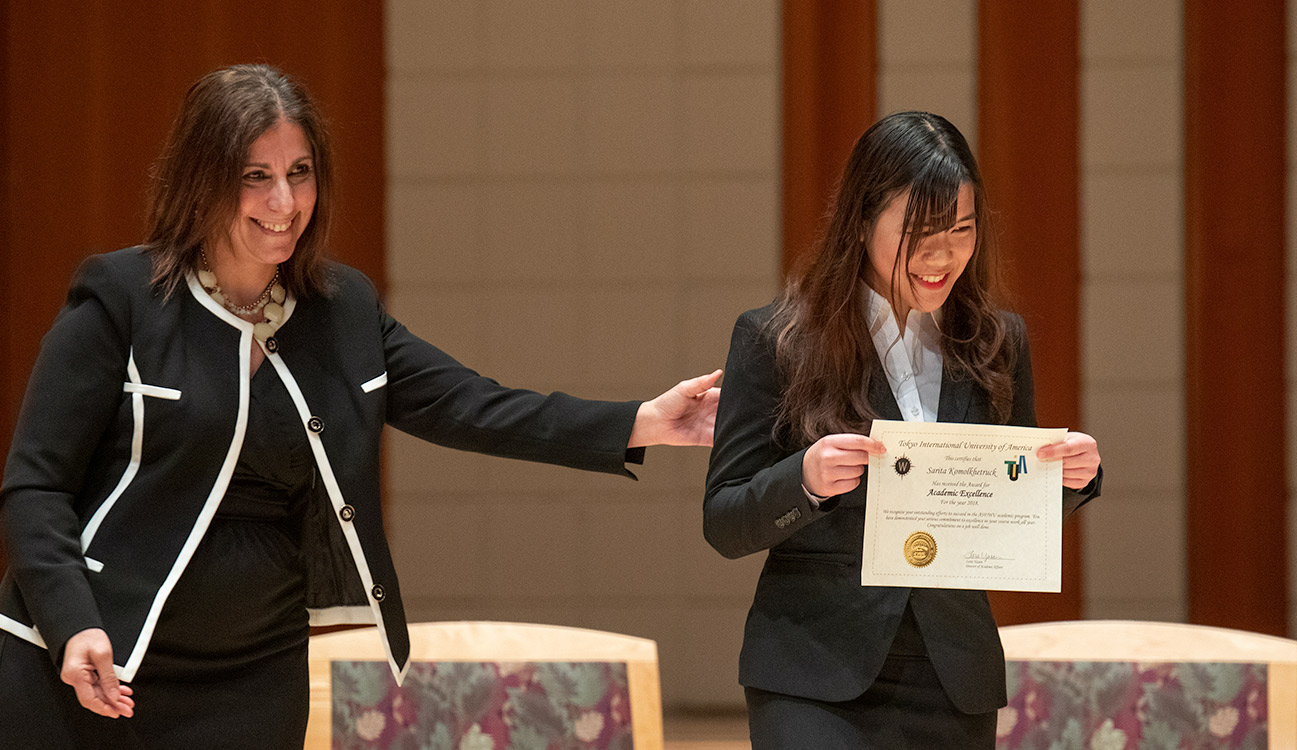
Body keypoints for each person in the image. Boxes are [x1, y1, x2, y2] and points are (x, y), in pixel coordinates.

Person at [0, 63, 720, 749]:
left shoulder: (340, 312)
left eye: (298, 173)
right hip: (94, 654)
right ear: (201, 181)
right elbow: (35, 485)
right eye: (255, 177)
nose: (284, 203)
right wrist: (71, 623)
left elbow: (474, 406)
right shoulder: (121, 299)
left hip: (253, 673)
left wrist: (641, 422)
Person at [703, 111, 1103, 749]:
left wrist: (1069, 479)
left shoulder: (998, 341)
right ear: (862, 222)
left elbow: (1009, 498)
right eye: (918, 233)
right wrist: (801, 480)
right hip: (812, 669)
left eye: (961, 230)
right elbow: (724, 520)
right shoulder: (776, 339)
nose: (943, 255)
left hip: (951, 674)